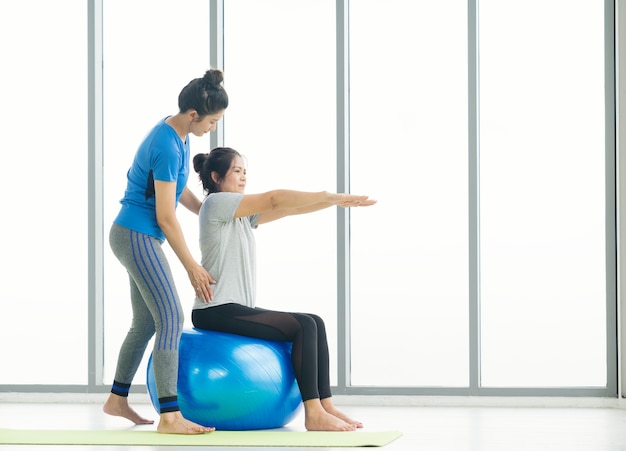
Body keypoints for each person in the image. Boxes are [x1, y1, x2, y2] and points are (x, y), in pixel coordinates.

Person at [190, 147, 376, 432]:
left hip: (232, 307)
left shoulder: (240, 214)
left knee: (315, 322)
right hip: (214, 310)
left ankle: (325, 406)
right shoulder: (215, 204)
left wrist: (336, 203)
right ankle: (312, 413)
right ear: (216, 176)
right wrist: (328, 195)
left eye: (245, 172)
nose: (243, 178)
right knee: (301, 326)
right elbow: (275, 199)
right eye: (237, 171)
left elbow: (288, 209)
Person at [103, 69, 228, 435]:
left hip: (136, 234)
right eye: (212, 121)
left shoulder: (180, 135)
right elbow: (165, 216)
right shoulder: (166, 143)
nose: (213, 129)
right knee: (171, 318)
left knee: (145, 322)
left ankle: (117, 399)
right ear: (193, 115)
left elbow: (176, 191)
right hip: (136, 235)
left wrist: (208, 209)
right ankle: (170, 416)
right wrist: (191, 266)